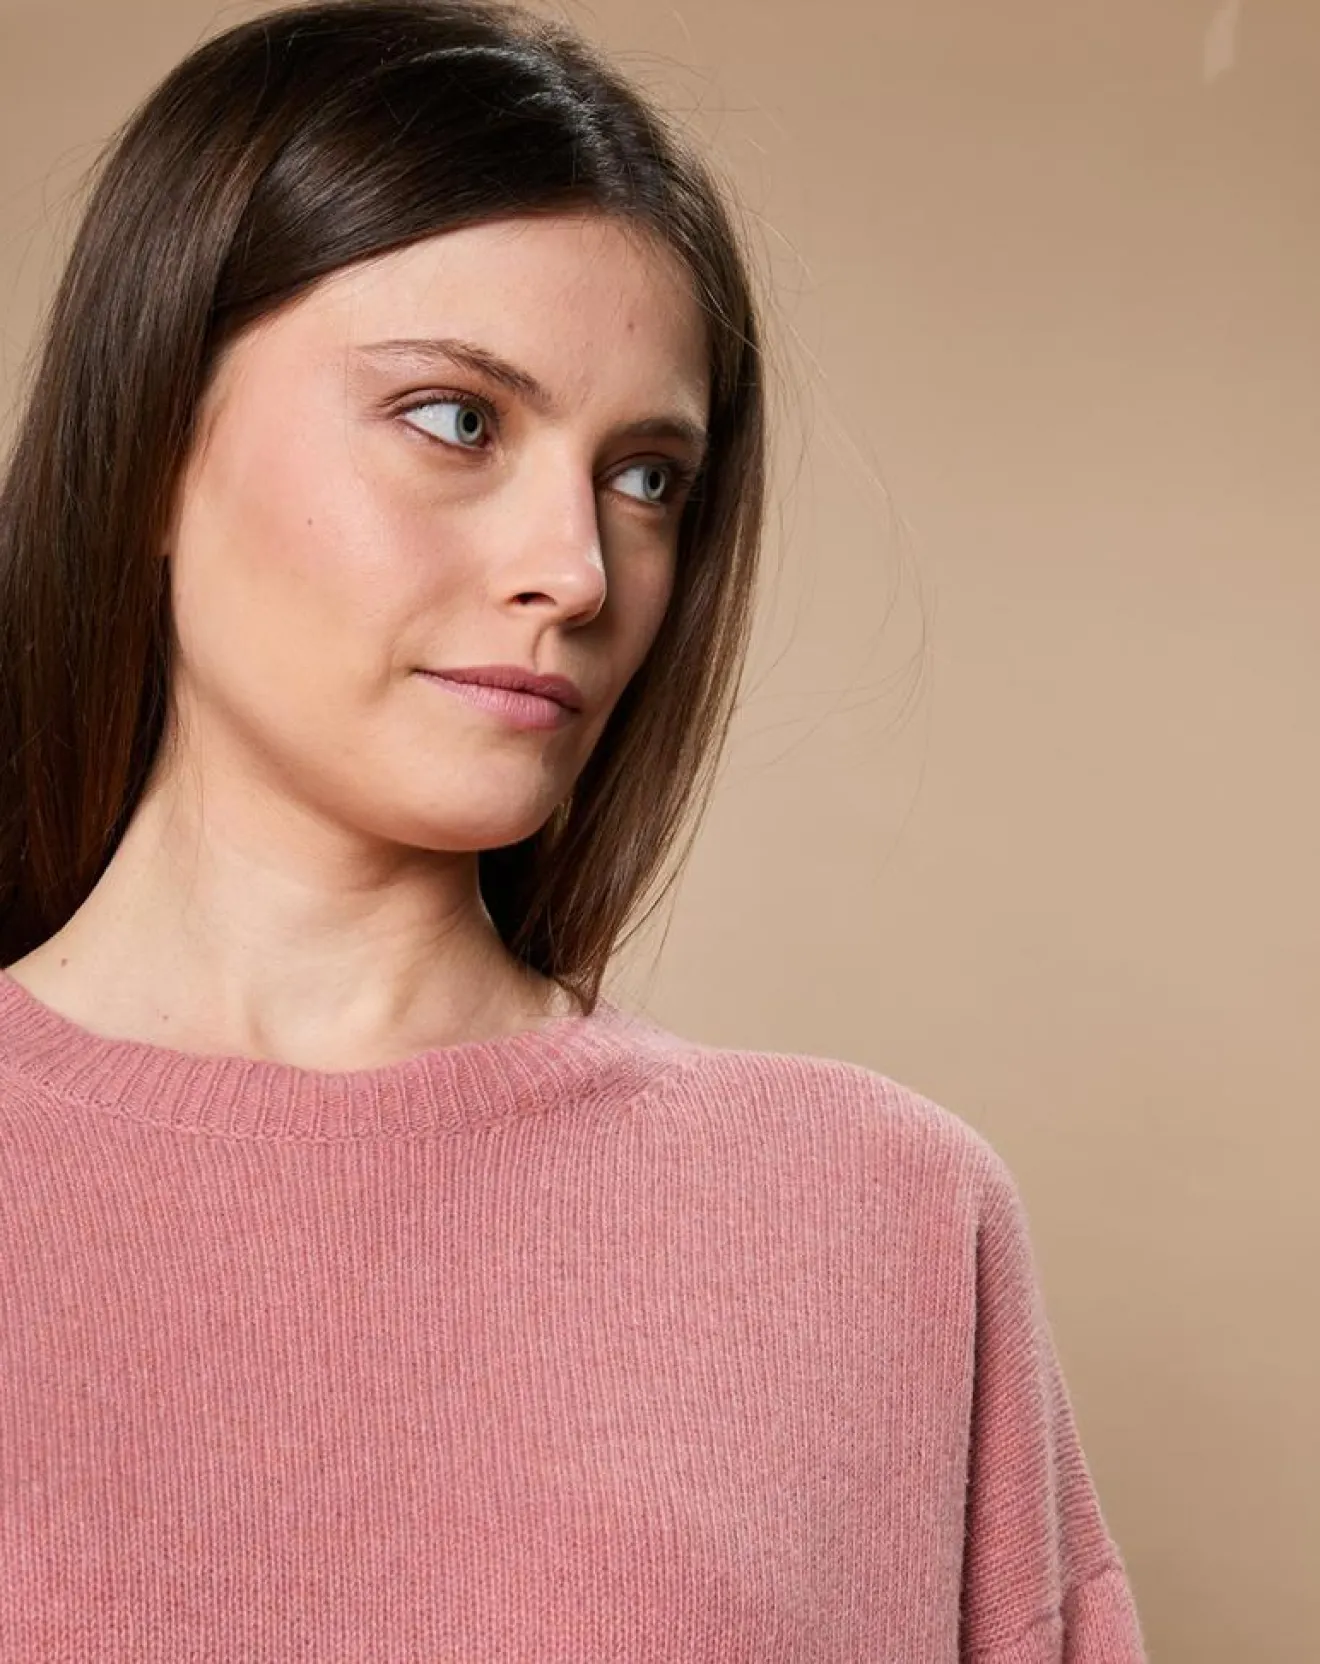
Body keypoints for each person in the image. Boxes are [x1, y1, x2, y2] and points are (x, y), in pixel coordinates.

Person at [0, 1, 1147, 1657]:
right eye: (456, 418)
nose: (579, 570)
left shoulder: (875, 1219)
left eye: (646, 477)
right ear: (155, 439)